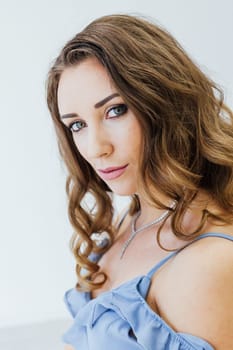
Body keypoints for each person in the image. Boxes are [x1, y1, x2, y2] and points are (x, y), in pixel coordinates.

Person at [46, 14, 233, 350]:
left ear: (165, 102)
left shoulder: (208, 263)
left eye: (115, 110)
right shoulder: (127, 223)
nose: (95, 148)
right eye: (77, 125)